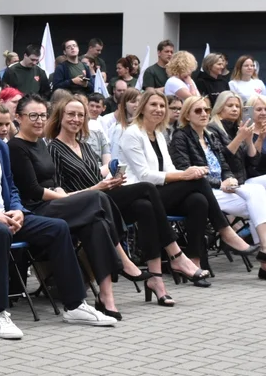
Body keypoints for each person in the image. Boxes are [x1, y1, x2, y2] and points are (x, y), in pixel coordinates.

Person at [0, 83, 115, 337]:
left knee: (58, 228)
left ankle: (75, 305)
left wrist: (18, 210)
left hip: (5, 217)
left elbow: (12, 188)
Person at [46, 92, 205, 306]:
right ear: (60, 117)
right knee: (147, 188)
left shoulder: (84, 145)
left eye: (80, 115)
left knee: (144, 206)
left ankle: (157, 282)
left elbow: (97, 176)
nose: (76, 119)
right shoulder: (53, 148)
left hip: (104, 197)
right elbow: (60, 192)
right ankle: (176, 255)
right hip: (83, 205)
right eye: (71, 114)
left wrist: (112, 179)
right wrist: (98, 187)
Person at [10, 95, 140, 319]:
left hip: (55, 203)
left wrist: (63, 193)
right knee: (98, 197)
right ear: (19, 118)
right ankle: (123, 258)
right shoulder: (16, 146)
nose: (39, 120)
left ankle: (106, 298)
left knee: (97, 224)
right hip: (36, 210)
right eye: (33, 115)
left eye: (42, 115)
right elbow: (33, 191)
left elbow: (52, 181)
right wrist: (68, 195)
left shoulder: (40, 143)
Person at [119, 89, 257, 275]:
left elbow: (168, 168)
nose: (159, 109)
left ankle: (195, 262)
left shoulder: (159, 135)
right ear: (142, 108)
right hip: (140, 194)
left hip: (160, 192)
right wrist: (186, 175)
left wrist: (189, 172)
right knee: (197, 182)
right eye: (153, 105)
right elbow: (144, 175)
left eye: (162, 106)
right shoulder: (132, 134)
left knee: (198, 201)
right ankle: (225, 231)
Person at [171, 95, 266, 281]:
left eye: (205, 110)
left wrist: (229, 179)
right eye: (198, 111)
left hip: (223, 188)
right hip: (203, 191)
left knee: (259, 196)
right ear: (187, 115)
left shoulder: (209, 136)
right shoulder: (181, 137)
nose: (203, 114)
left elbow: (224, 165)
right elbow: (186, 170)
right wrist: (220, 183)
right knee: (257, 201)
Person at [100, 87, 140, 162]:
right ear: (124, 105)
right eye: (133, 102)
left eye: (140, 102)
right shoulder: (118, 128)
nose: (137, 105)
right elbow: (115, 158)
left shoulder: (146, 128)